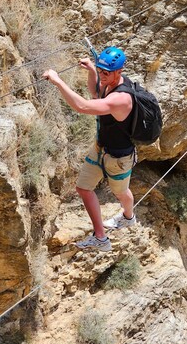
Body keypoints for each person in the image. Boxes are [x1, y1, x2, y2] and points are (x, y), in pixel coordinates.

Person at [43, 46, 137, 252]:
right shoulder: (110, 83)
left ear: (119, 72)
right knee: (84, 188)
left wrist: (58, 81)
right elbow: (95, 93)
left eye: (105, 72)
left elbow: (84, 107)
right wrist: (93, 72)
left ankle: (128, 217)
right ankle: (100, 238)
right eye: (100, 70)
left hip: (119, 158)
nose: (102, 75)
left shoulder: (121, 98)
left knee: (121, 193)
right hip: (100, 148)